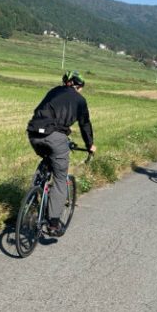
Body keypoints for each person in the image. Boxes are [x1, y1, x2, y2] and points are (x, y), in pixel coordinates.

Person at [26, 70, 96, 236]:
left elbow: (40, 110)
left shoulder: (54, 91)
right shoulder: (80, 100)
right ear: (78, 86)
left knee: (47, 158)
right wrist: (90, 145)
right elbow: (85, 124)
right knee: (59, 178)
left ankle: (35, 192)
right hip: (55, 137)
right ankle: (53, 223)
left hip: (34, 132)